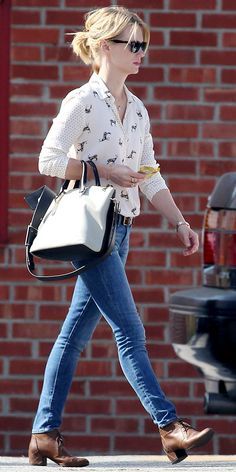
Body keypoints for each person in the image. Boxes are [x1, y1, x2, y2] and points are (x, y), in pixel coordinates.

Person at [28, 5, 214, 468]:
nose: (140, 53)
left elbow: (150, 174)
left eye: (143, 44)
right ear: (102, 47)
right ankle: (171, 427)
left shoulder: (138, 110)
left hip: (121, 231)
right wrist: (100, 169)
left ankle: (43, 436)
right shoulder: (81, 101)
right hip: (91, 233)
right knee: (129, 331)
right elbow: (48, 161)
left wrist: (179, 221)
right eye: (132, 44)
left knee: (73, 336)